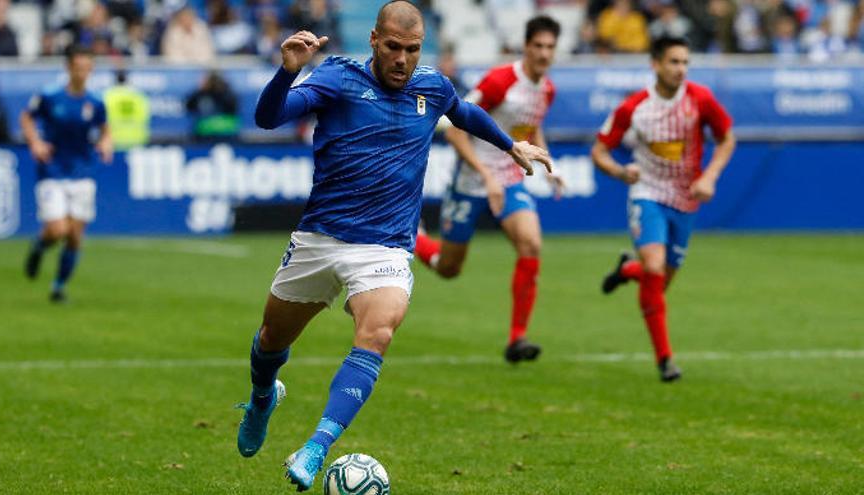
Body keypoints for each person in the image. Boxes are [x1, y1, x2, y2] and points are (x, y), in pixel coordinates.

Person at [236, 1, 552, 491]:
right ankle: (261, 398)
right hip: (321, 237)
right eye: (393, 48)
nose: (403, 59)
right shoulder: (337, 78)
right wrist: (287, 73)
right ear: (374, 42)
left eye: (412, 49)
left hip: (384, 247)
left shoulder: (432, 85)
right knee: (271, 340)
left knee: (378, 332)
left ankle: (316, 447)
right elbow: (267, 117)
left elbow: (463, 111)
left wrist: (511, 145)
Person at [414, 15, 562, 364]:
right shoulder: (500, 81)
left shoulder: (547, 89)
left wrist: (547, 162)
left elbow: (530, 128)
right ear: (525, 46)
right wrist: (485, 175)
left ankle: (517, 339)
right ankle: (416, 235)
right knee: (448, 268)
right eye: (538, 45)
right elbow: (454, 130)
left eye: (550, 47)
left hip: (509, 180)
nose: (543, 53)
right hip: (470, 182)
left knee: (530, 243)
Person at [591, 36, 735, 382]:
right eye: (674, 62)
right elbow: (599, 151)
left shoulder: (701, 99)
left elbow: (727, 137)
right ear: (655, 64)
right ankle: (665, 360)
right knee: (654, 268)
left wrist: (710, 177)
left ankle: (628, 270)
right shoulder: (634, 107)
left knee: (659, 281)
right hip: (648, 193)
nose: (681, 69)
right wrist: (621, 172)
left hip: (686, 199)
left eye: (685, 62)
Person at [20, 45, 112, 303]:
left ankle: (58, 287)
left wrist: (106, 143)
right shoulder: (50, 95)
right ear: (68, 68)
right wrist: (35, 143)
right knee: (57, 229)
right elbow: (27, 118)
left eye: (87, 68)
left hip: (83, 170)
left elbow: (105, 128)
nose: (82, 72)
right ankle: (39, 247)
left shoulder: (95, 101)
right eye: (78, 67)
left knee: (74, 236)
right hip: (52, 168)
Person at [185, 70, 240, 141]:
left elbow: (233, 109)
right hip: (204, 130)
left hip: (225, 129)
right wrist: (200, 91)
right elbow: (189, 106)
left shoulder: (228, 93)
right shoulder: (200, 94)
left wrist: (221, 90)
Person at [104, 69, 150, 150]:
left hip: (115, 140)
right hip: (137, 140)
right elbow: (145, 117)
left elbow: (103, 119)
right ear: (128, 80)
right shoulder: (139, 96)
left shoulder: (108, 96)